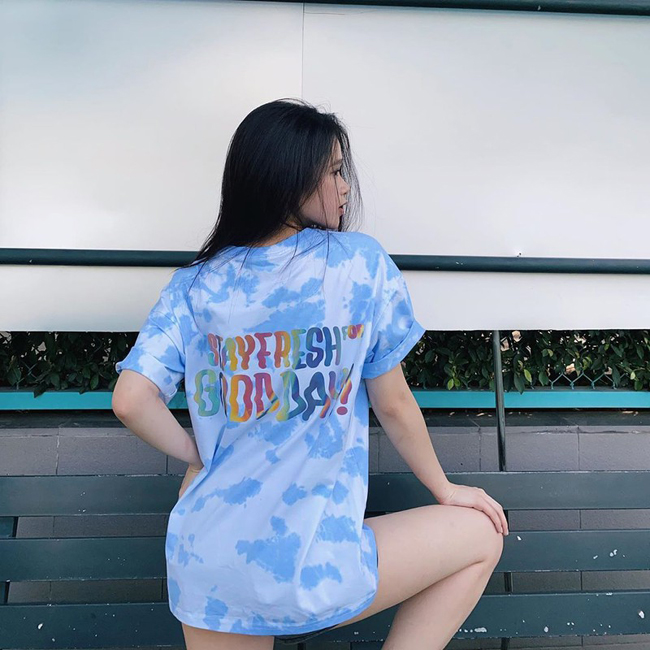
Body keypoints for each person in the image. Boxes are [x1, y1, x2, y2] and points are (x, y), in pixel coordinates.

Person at [111, 98, 508, 650]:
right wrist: (444, 488)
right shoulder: (358, 265)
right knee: (482, 534)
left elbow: (131, 400)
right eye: (335, 171)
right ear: (290, 176)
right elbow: (394, 404)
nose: (346, 188)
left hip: (209, 565)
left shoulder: (194, 285)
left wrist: (199, 455)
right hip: (314, 564)